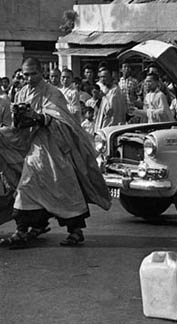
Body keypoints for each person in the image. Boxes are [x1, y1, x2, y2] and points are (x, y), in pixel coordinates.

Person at [0, 57, 110, 249]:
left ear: (41, 72)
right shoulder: (23, 92)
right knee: (27, 186)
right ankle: (24, 229)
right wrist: (19, 119)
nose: (29, 78)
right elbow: (18, 124)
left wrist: (39, 117)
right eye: (25, 74)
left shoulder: (53, 92)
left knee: (63, 187)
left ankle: (75, 231)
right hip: (33, 147)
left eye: (33, 73)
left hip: (53, 146)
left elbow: (63, 119)